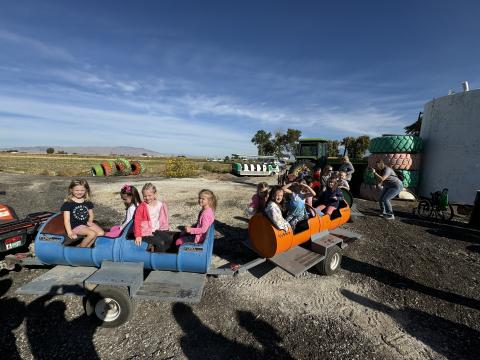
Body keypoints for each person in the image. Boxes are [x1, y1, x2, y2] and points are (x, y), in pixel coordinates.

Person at [61, 179, 104, 247]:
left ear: (86, 190)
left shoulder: (87, 202)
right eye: (77, 190)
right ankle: (81, 249)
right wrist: (70, 232)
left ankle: (87, 246)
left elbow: (91, 214)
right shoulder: (68, 203)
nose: (79, 192)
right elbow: (67, 220)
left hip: (85, 224)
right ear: (71, 190)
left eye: (82, 190)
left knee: (100, 233)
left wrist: (90, 221)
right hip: (75, 226)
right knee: (92, 234)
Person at [133, 183, 170, 251]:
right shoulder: (141, 207)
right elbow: (137, 222)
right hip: (145, 232)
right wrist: (138, 236)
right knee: (160, 243)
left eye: (149, 195)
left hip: (156, 230)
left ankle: (166, 254)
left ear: (154, 194)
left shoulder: (160, 204)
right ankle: (159, 258)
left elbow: (164, 218)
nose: (147, 198)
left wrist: (164, 228)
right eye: (144, 196)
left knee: (168, 239)